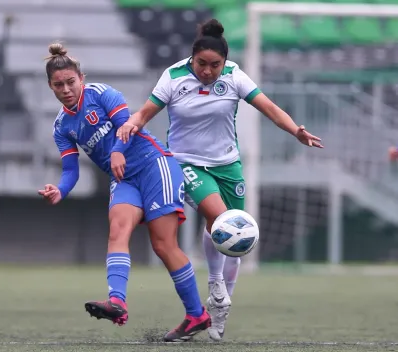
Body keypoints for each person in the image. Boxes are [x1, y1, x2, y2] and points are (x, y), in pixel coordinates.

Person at [116, 19, 323, 341]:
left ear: (224, 63)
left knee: (235, 236)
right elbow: (144, 112)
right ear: (191, 58)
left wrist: (296, 130)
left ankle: (220, 311)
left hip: (227, 164)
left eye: (215, 65)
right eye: (202, 64)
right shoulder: (173, 77)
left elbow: (268, 107)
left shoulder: (235, 76)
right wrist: (132, 124)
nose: (208, 71)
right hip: (186, 162)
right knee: (221, 218)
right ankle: (215, 285)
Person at [37, 43, 211, 342]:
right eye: (58, 85)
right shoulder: (62, 126)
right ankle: (117, 302)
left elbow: (126, 125)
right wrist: (60, 191)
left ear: (82, 77)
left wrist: (117, 151)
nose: (65, 89)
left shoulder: (101, 93)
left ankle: (197, 314)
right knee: (117, 230)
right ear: (50, 87)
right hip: (124, 179)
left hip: (154, 165)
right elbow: (71, 170)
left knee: (162, 244)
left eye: (70, 82)